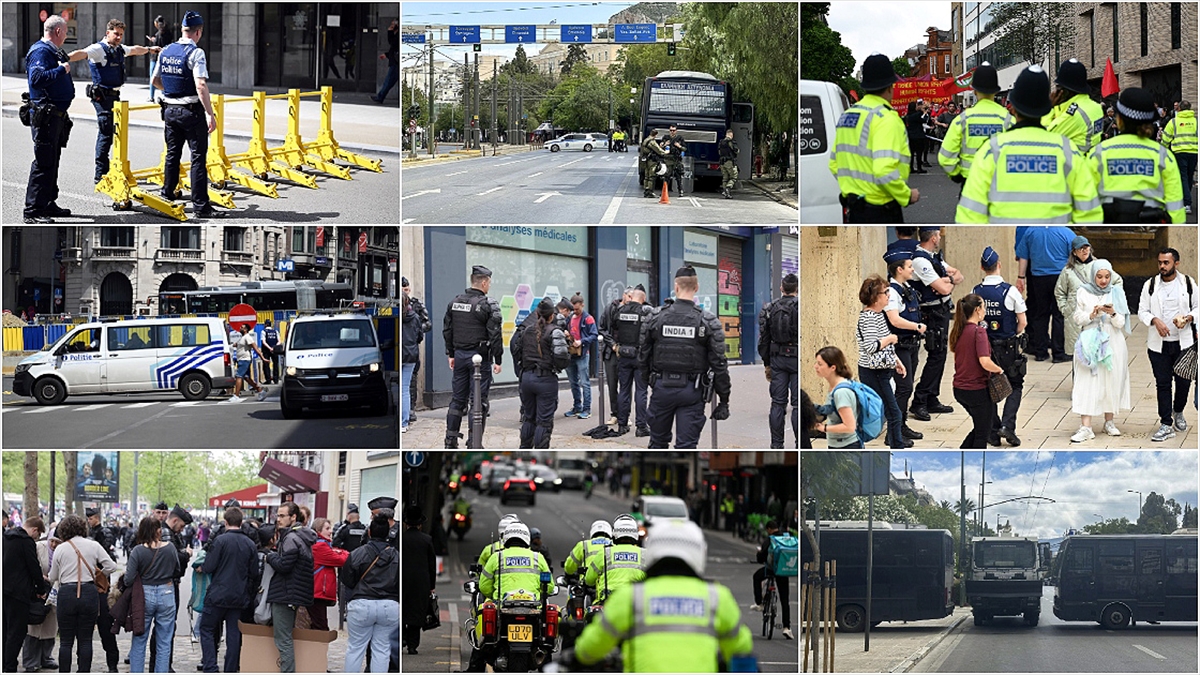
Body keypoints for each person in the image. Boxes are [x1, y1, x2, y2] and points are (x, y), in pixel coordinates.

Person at [570, 519, 751, 672]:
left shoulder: (631, 597)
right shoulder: (718, 597)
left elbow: (590, 648)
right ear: (700, 552)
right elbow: (742, 652)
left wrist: (573, 657)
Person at [956, 65, 1102, 223]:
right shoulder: (1067, 150)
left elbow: (970, 214)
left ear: (1014, 108)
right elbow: (1089, 212)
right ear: (1046, 108)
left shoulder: (992, 150)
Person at [639, 266, 731, 448]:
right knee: (687, 446)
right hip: (692, 391)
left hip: (661, 389)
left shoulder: (656, 318)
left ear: (676, 287)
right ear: (697, 287)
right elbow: (719, 364)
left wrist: (651, 383)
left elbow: (643, 357)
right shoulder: (708, 321)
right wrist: (724, 400)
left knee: (657, 444)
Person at [63, 20, 159, 183]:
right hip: (102, 96)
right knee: (106, 131)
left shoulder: (119, 49)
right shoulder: (98, 49)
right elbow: (82, 53)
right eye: (116, 33)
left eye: (121, 34)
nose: (119, 37)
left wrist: (150, 49)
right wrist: (65, 58)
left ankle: (110, 168)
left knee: (113, 132)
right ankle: (100, 174)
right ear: (108, 32)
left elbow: (135, 50)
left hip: (114, 96)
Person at [152, 11, 226, 219]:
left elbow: (155, 81)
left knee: (172, 154)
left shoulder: (166, 50)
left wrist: (171, 91)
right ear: (198, 31)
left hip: (169, 111)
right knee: (197, 158)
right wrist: (210, 113)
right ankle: (201, 207)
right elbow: (200, 85)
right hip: (191, 112)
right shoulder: (196, 53)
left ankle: (167, 194)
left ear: (183, 30)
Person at [829, 53, 918, 222]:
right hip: (881, 208)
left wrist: (856, 189)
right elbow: (885, 170)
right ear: (891, 86)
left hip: (854, 208)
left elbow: (834, 164)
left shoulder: (848, 116)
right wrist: (906, 195)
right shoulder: (887, 118)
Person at [1089, 87, 1185, 223]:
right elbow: (1175, 206)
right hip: (1151, 220)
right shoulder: (1163, 156)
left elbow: (1086, 201)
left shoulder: (1098, 153)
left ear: (1119, 119)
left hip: (1108, 221)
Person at [469, 521, 553, 672]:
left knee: (483, 614)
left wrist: (493, 596)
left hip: (503, 608)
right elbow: (550, 587)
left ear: (506, 538)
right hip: (533, 610)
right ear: (526, 538)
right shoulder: (537, 557)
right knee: (546, 631)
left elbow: (484, 586)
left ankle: (475, 666)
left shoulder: (496, 557)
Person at [1138, 248, 1199, 442]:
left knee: (1183, 382)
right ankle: (1165, 423)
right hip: (1159, 346)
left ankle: (1178, 411)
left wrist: (1188, 317)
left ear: (1176, 263)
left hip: (1184, 344)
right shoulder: (1150, 285)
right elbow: (1142, 311)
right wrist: (1155, 320)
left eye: (1166, 262)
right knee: (1163, 384)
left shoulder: (1188, 283)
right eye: (1160, 263)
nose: (1162, 266)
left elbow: (1198, 307)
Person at [23, 15, 77, 224]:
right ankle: (32, 211)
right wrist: (60, 69)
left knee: (52, 161)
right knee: (43, 163)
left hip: (55, 115)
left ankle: (47, 203)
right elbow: (36, 79)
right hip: (45, 116)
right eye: (65, 32)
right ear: (57, 32)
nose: (65, 36)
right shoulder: (41, 51)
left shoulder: (52, 51)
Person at [1071, 259, 1132, 442]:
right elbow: (1076, 317)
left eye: (1107, 277)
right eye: (1099, 277)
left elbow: (1121, 323)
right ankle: (1086, 426)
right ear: (1093, 276)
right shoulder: (1083, 291)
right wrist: (1092, 314)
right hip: (1090, 341)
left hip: (1112, 341)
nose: (1103, 281)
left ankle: (1109, 421)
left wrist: (1112, 313)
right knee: (1086, 381)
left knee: (1111, 380)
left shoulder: (1116, 292)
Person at [974, 246, 1029, 446]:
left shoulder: (976, 291)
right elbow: (1022, 322)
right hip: (1008, 346)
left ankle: (994, 431)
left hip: (984, 348)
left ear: (982, 267)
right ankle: (1008, 426)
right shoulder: (1010, 291)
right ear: (999, 265)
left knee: (988, 387)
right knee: (1015, 384)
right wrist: (1014, 334)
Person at [443, 265, 503, 448]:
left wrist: (451, 354)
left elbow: (447, 330)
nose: (489, 286)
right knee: (478, 402)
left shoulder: (455, 302)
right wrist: (498, 360)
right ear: (484, 282)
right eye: (489, 283)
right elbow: (495, 335)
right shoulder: (486, 305)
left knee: (457, 400)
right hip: (479, 359)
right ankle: (473, 442)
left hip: (460, 356)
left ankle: (450, 441)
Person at [49, 514, 118, 673]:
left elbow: (53, 576)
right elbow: (111, 566)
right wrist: (97, 575)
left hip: (66, 593)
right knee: (86, 640)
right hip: (88, 592)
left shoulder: (61, 548)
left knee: (66, 641)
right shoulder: (93, 545)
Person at [910, 227, 963, 420]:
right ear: (933, 238)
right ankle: (919, 401)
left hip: (940, 311)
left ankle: (932, 398)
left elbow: (959, 275)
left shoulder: (934, 257)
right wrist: (949, 282)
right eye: (938, 235)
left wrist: (947, 281)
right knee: (934, 356)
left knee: (940, 355)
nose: (940, 237)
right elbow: (943, 288)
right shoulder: (920, 260)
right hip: (930, 313)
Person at [198, 506, 258, 673]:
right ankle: (231, 669)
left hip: (218, 594)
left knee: (207, 629)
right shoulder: (250, 544)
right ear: (241, 522)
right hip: (239, 596)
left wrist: (201, 568)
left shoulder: (220, 541)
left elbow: (209, 566)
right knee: (234, 635)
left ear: (225, 522)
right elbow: (254, 572)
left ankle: (210, 666)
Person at [939, 62, 1011, 192]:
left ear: (974, 90)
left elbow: (945, 157)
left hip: (970, 183)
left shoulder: (962, 120)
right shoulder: (1008, 119)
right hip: (999, 185)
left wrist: (957, 175)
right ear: (996, 91)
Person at [857, 275, 910, 448]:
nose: (889, 295)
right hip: (874, 372)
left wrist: (896, 361)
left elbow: (883, 346)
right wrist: (891, 338)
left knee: (887, 412)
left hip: (882, 369)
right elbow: (872, 346)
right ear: (875, 297)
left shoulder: (879, 315)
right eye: (885, 292)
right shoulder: (869, 317)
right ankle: (897, 446)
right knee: (893, 413)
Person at [948, 294, 1005, 448]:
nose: (985, 311)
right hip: (976, 390)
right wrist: (999, 370)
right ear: (977, 309)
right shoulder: (978, 332)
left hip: (959, 389)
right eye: (984, 307)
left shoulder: (959, 330)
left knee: (980, 426)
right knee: (983, 433)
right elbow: (985, 361)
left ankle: (963, 452)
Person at [1056, 236, 1126, 363]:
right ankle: (1077, 381)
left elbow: (1117, 281)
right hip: (1074, 314)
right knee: (1077, 352)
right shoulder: (1068, 271)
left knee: (1095, 350)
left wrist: (1112, 298)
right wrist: (1065, 309)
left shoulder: (1099, 266)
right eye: (1080, 248)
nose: (1084, 250)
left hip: (1097, 315)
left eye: (1086, 247)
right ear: (1074, 251)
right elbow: (1059, 292)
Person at [265, 502, 317, 673]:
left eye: (282, 516)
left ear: (293, 517)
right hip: (294, 593)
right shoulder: (301, 536)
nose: (278, 519)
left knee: (283, 639)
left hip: (286, 593)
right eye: (277, 515)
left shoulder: (291, 538)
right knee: (286, 638)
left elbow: (284, 565)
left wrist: (270, 556)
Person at [512, 298, 571, 448]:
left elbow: (517, 351)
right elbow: (562, 358)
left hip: (526, 379)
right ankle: (540, 451)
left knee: (529, 419)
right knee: (544, 422)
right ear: (552, 316)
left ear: (537, 314)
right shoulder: (555, 332)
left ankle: (524, 449)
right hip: (545, 380)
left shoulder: (526, 331)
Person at [883, 248, 927, 442]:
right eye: (909, 266)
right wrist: (917, 326)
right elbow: (894, 319)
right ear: (899, 269)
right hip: (899, 346)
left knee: (906, 388)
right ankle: (894, 433)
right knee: (903, 388)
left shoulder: (906, 287)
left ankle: (901, 425)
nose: (912, 269)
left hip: (910, 345)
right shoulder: (891, 292)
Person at [1016, 226, 1076, 363]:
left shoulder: (1030, 231)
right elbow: (1074, 257)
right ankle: (1059, 353)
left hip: (1038, 278)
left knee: (1040, 314)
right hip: (1060, 277)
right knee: (1059, 315)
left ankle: (1041, 352)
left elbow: (1023, 257)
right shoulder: (1066, 232)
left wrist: (1021, 277)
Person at [4, 517, 49, 673]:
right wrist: (41, 590)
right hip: (19, 593)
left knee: (4, 629)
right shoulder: (25, 541)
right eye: (37, 535)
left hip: (4, 591)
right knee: (17, 631)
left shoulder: (6, 537)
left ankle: (4, 662)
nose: (35, 538)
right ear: (34, 530)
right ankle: (9, 666)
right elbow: (34, 567)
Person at [759, 274, 799, 448]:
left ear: (782, 288)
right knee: (797, 405)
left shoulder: (770, 308)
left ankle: (776, 445)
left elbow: (763, 341)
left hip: (777, 360)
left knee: (777, 404)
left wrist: (767, 363)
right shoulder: (801, 308)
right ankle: (801, 444)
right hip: (797, 359)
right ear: (796, 289)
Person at [1041, 58, 1105, 155]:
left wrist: (1049, 108)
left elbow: (1042, 138)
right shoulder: (1095, 107)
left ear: (1064, 91)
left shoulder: (1074, 114)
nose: (1055, 92)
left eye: (1058, 87)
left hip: (1070, 165)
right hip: (1089, 162)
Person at [85, 507, 121, 671]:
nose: (89, 520)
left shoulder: (104, 532)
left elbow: (106, 559)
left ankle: (112, 666)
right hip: (91, 584)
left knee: (106, 629)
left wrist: (99, 573)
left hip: (100, 585)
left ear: (96, 517)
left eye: (91, 517)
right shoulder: (89, 533)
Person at [615, 286, 653, 436]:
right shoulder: (645, 312)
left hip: (624, 354)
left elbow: (615, 329)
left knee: (623, 390)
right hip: (640, 356)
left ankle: (622, 425)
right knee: (641, 391)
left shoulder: (620, 311)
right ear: (643, 299)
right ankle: (641, 427)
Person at [22, 528, 59, 673]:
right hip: (37, 591)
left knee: (50, 627)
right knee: (34, 627)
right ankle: (31, 661)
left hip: (54, 591)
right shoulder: (39, 547)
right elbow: (31, 566)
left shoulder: (62, 551)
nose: (54, 545)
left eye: (58, 542)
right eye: (53, 541)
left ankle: (46, 657)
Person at [749, 520, 793, 640]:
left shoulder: (769, 540)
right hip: (784, 571)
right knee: (785, 600)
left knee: (756, 577)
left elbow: (762, 558)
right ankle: (787, 628)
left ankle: (760, 603)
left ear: (769, 529)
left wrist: (759, 554)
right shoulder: (786, 537)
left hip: (771, 570)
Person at [584, 516, 644, 604]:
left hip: (608, 601)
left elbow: (589, 579)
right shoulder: (645, 554)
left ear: (614, 533)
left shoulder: (604, 552)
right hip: (636, 601)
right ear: (635, 534)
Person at [401, 506, 434, 656]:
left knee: (402, 611)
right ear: (420, 524)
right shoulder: (427, 540)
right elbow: (431, 565)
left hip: (403, 581)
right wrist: (431, 586)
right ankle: (413, 646)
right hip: (421, 582)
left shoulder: (401, 540)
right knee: (416, 613)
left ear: (406, 524)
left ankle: (402, 639)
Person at [812, 346, 861, 448]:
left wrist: (823, 428)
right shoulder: (836, 386)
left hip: (846, 446)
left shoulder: (841, 392)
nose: (815, 366)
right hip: (838, 444)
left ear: (832, 368)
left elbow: (850, 426)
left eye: (820, 364)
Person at [332, 504, 368, 629]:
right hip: (363, 563)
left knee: (344, 586)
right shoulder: (365, 529)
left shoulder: (344, 529)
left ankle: (345, 610)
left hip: (347, 562)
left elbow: (335, 543)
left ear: (348, 516)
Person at [402, 277, 433, 424]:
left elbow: (428, 323)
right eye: (403, 289)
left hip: (411, 348)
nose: (405, 292)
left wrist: (416, 331)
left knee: (411, 380)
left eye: (407, 289)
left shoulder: (416, 304)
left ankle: (411, 408)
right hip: (405, 348)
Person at [310, 518, 349, 632]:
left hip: (318, 593)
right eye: (327, 528)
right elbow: (341, 560)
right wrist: (344, 553)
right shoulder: (320, 546)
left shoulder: (322, 545)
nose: (330, 531)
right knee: (321, 627)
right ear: (318, 531)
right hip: (317, 593)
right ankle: (317, 649)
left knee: (319, 625)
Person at [564, 293, 598, 420]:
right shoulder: (570, 317)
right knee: (573, 382)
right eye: (573, 309)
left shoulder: (588, 318)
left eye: (577, 309)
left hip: (583, 354)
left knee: (584, 382)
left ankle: (586, 409)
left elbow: (594, 335)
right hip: (571, 354)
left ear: (582, 305)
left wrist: (582, 341)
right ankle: (577, 406)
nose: (575, 311)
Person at [598, 288, 629, 425]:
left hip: (626, 353)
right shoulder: (610, 308)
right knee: (612, 385)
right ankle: (615, 414)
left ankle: (625, 415)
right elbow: (601, 328)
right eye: (629, 296)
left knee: (626, 386)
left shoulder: (633, 311)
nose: (630, 299)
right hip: (611, 352)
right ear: (624, 295)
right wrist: (612, 344)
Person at [1161, 100, 1198, 214]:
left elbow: (1166, 137)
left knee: (1183, 177)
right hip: (1193, 152)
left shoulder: (1174, 122)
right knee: (1189, 176)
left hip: (1179, 152)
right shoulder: (1196, 121)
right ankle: (1187, 200)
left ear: (1179, 109)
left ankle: (1186, 203)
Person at [228, 323, 267, 402]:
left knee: (239, 376)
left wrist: (262, 358)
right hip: (241, 360)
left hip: (244, 360)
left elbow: (255, 347)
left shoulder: (248, 337)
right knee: (247, 378)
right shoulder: (242, 338)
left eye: (242, 327)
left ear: (246, 330)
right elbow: (235, 345)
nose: (240, 328)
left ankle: (236, 396)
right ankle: (260, 391)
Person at [402, 294, 421, 433]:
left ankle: (402, 421)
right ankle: (404, 422)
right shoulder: (414, 317)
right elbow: (420, 335)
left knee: (401, 389)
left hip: (400, 354)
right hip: (410, 355)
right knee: (405, 389)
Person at [146, 15, 173, 102]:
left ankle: (151, 96)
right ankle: (164, 94)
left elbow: (157, 44)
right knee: (163, 77)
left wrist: (153, 40)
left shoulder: (158, 34)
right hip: (165, 57)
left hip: (155, 57)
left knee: (153, 77)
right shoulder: (168, 33)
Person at [372, 19, 399, 103]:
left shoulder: (398, 35)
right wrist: (386, 55)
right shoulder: (397, 34)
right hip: (395, 60)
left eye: (392, 24)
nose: (390, 26)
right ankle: (380, 96)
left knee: (388, 81)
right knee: (389, 81)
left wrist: (389, 32)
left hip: (396, 62)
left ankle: (380, 97)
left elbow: (393, 44)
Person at [640, 129, 670, 197]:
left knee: (646, 176)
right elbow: (659, 151)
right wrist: (666, 152)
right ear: (655, 135)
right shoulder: (652, 142)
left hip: (646, 160)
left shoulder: (646, 140)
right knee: (651, 176)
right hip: (652, 161)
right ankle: (650, 191)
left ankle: (646, 190)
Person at [906, 100, 930, 174]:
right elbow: (924, 120)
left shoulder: (907, 116)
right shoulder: (916, 115)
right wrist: (925, 113)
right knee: (919, 153)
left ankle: (911, 167)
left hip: (910, 136)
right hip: (918, 136)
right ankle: (919, 167)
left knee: (912, 153)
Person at [719, 128, 739, 198]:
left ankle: (725, 192)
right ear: (731, 134)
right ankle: (728, 188)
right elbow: (736, 151)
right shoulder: (731, 142)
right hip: (729, 162)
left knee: (725, 178)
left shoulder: (721, 142)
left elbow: (719, 152)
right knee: (733, 177)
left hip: (722, 162)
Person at [261, 318, 280, 385]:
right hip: (275, 350)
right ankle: (276, 379)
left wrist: (269, 348)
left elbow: (264, 342)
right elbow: (279, 341)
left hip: (266, 350)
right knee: (275, 364)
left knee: (266, 365)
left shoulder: (264, 331)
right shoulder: (275, 331)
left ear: (266, 324)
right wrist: (273, 348)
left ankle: (268, 380)